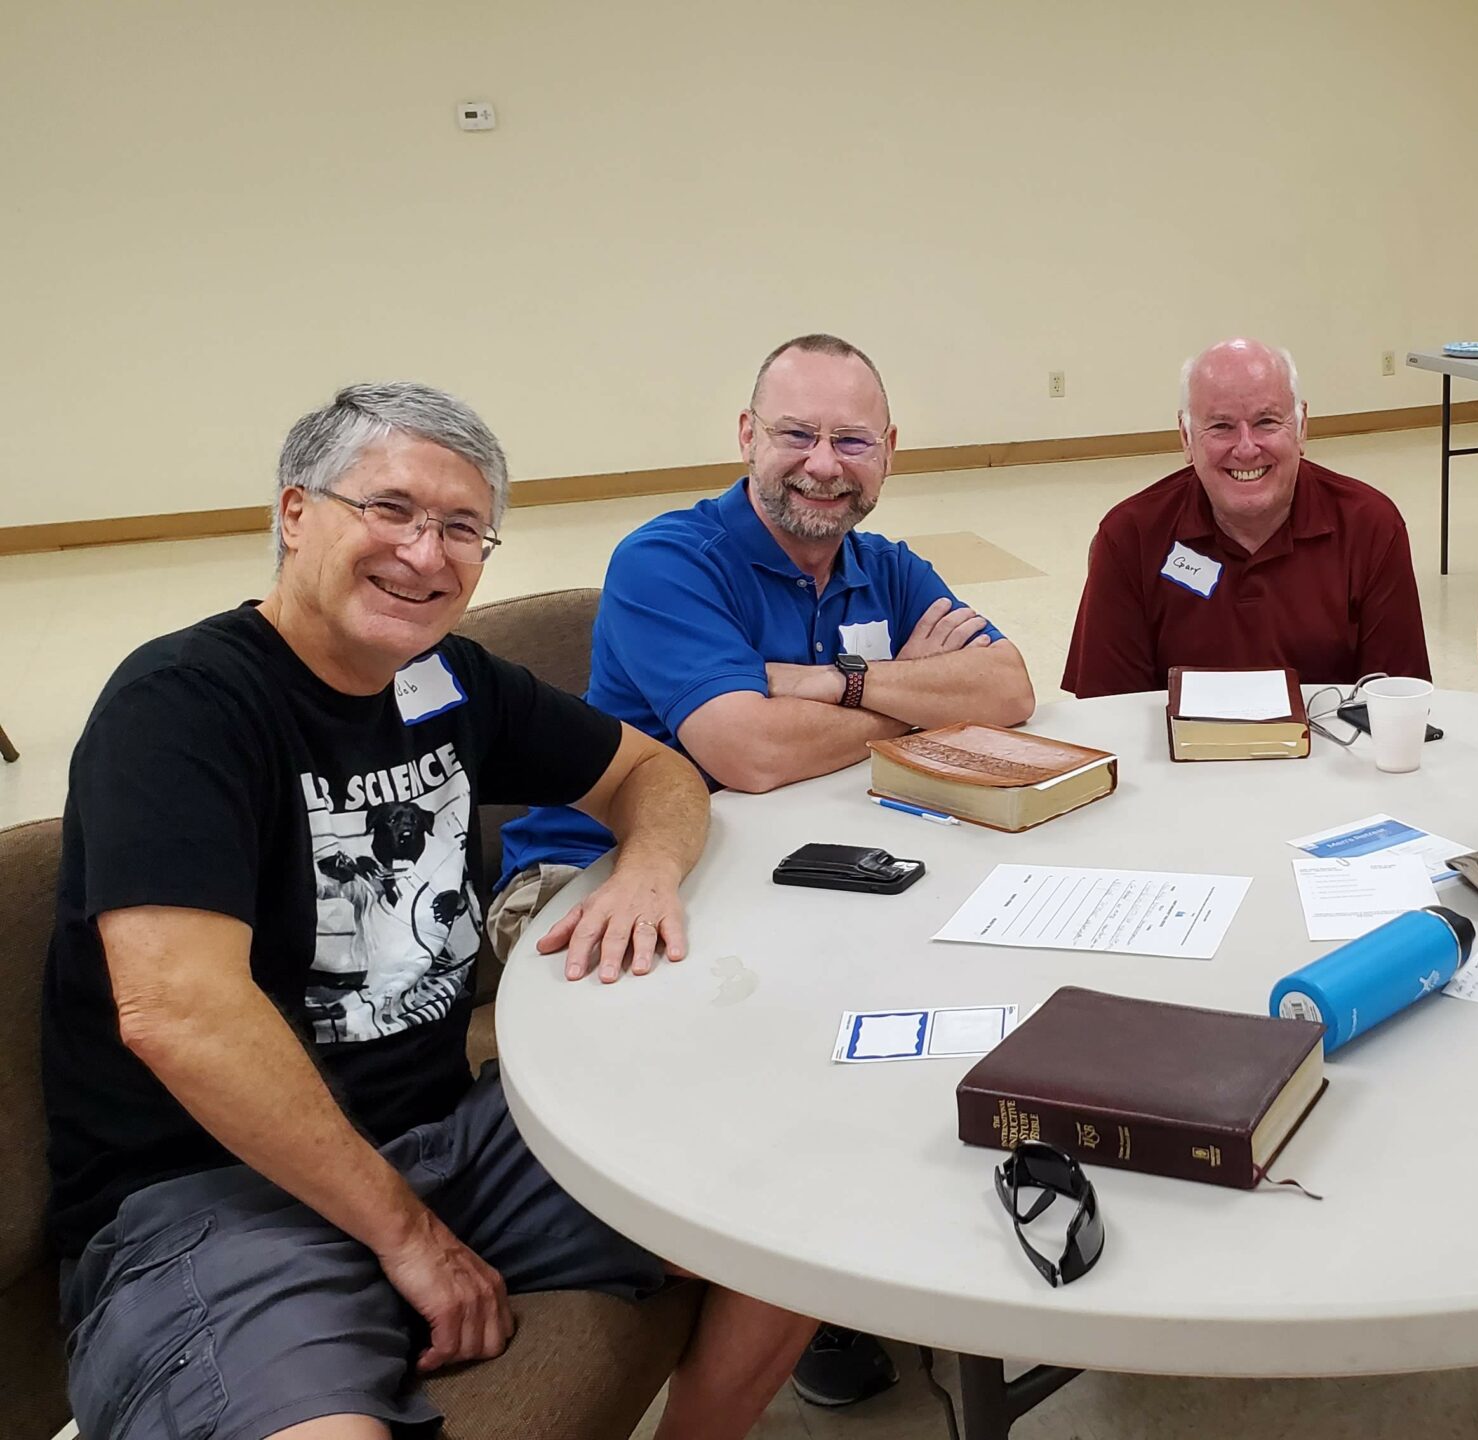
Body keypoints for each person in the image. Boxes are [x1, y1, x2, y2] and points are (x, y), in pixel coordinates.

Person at [42, 383, 817, 1440]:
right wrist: (405, 1234)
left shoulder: (445, 679)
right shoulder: (180, 708)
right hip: (214, 1196)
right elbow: (175, 1013)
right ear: (294, 513)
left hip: (451, 1140)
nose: (426, 552)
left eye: (462, 528)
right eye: (391, 509)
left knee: (799, 1211)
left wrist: (644, 872)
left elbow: (655, 774)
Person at [497, 333, 1032, 1409]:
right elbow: (746, 753)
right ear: (747, 437)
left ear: (889, 450)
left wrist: (817, 680)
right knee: (766, 1096)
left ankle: (846, 1268)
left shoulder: (884, 564)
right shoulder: (669, 561)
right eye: (795, 434)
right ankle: (792, 1264)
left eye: (850, 439)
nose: (822, 464)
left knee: (960, 975)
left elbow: (1012, 688)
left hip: (797, 861)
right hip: (609, 878)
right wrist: (896, 689)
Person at [1060, 337, 1431, 696]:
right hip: (1173, 757)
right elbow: (1110, 714)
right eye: (1221, 426)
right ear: (1186, 438)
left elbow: (1398, 702)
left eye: (1267, 422)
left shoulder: (1370, 526)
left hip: (1331, 754)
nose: (1246, 448)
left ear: (1302, 427)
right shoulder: (1130, 536)